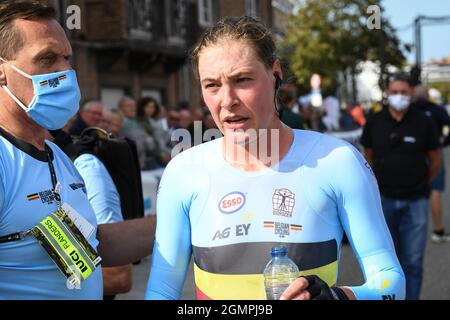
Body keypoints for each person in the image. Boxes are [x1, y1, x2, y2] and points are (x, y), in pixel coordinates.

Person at [145, 16, 405, 300]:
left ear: (275, 72)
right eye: (212, 85)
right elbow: (161, 291)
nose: (227, 100)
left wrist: (337, 297)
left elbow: (391, 282)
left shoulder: (337, 161)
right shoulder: (184, 171)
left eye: (242, 80)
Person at [0, 0, 154, 299]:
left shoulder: (56, 155)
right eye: (47, 59)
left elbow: (91, 245)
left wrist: (184, 215)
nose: (66, 72)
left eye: (67, 59)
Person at [361, 74, 441, 300]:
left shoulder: (424, 122)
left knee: (413, 263)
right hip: (384, 202)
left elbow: (435, 161)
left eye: (404, 92)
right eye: (395, 92)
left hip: (416, 202)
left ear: (411, 93)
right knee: (387, 263)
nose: (399, 96)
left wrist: (421, 183)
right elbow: (368, 159)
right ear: (387, 93)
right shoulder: (375, 121)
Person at [412, 85, 450, 243]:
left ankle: (411, 231)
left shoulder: (410, 109)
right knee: (435, 190)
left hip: (413, 153)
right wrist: (445, 142)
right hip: (434, 152)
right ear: (428, 95)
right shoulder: (437, 109)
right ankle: (438, 230)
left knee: (412, 191)